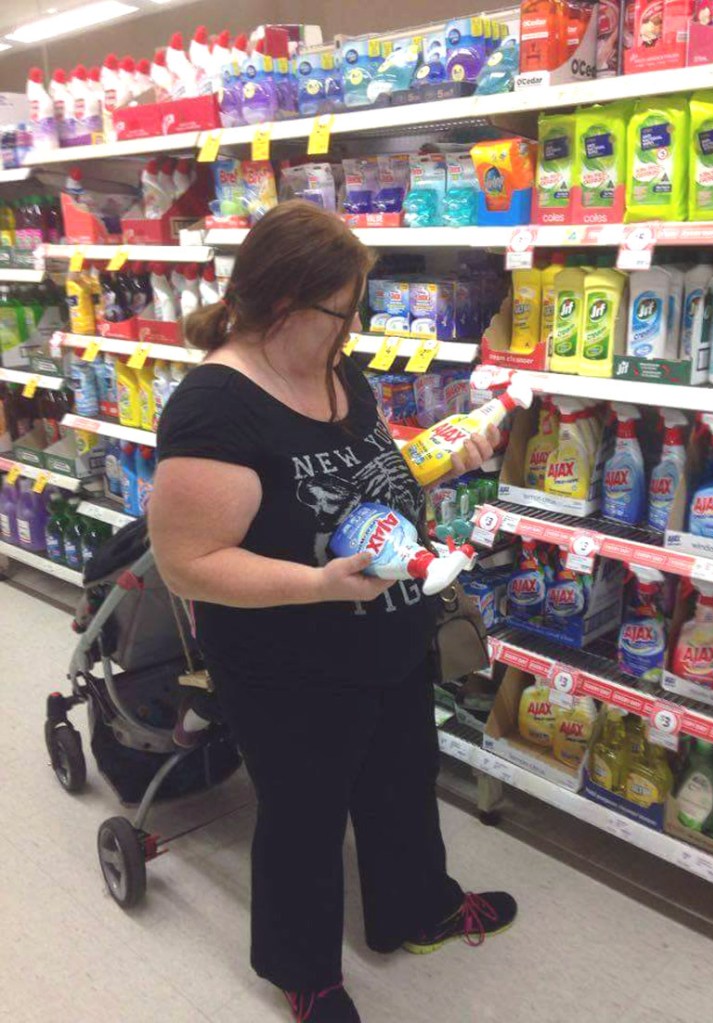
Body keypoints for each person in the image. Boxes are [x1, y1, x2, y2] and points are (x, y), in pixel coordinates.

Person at [149, 201, 516, 1023]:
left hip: (384, 636)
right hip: (287, 663)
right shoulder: (215, 408)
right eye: (344, 309)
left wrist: (444, 460)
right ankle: (304, 969)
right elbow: (187, 562)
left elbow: (364, 485)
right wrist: (318, 585)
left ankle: (417, 908)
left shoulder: (335, 371)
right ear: (285, 306)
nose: (354, 324)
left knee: (400, 782)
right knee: (305, 815)